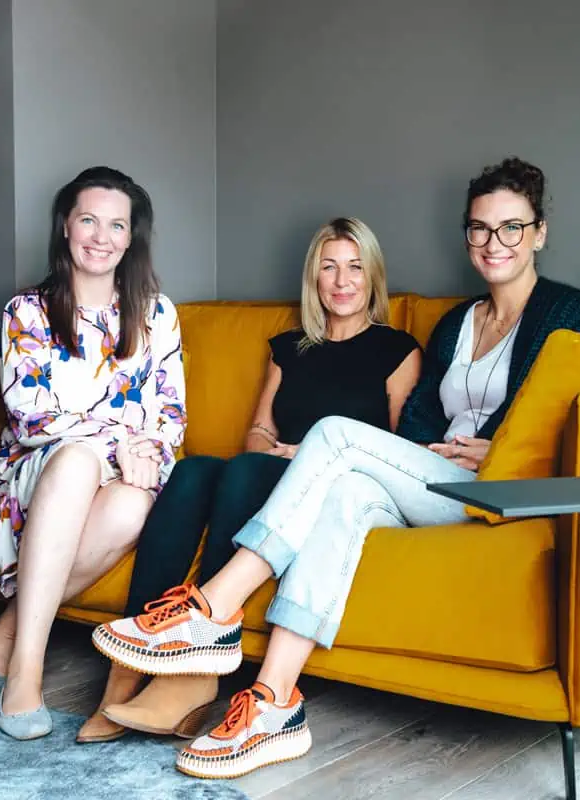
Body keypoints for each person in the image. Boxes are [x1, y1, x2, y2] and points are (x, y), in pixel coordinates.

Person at [91, 157, 580, 779]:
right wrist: (441, 450)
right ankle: (272, 703)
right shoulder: (457, 325)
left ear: (539, 233)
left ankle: (212, 611)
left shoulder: (568, 314)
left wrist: (497, 448)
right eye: (479, 228)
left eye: (511, 228)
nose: (493, 242)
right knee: (340, 492)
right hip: (433, 480)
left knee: (336, 436)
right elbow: (417, 428)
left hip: (499, 487)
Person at [73, 217, 423, 743]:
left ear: (373, 277)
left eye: (355, 267)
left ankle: (195, 676)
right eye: (329, 267)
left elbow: (396, 456)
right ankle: (124, 675)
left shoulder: (398, 351)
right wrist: (274, 449)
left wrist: (303, 454)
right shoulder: (289, 347)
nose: (342, 280)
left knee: (245, 470)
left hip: (334, 485)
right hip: (270, 467)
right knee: (193, 471)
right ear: (314, 278)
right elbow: (258, 430)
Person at [0, 166, 186, 741]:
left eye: (116, 225)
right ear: (65, 227)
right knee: (74, 460)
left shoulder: (157, 313)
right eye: (89, 220)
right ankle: (27, 669)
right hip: (33, 469)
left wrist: (140, 449)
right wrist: (119, 439)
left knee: (131, 508)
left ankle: (5, 631)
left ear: (131, 237)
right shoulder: (27, 311)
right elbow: (30, 412)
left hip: (119, 473)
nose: (102, 236)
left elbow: (170, 416)